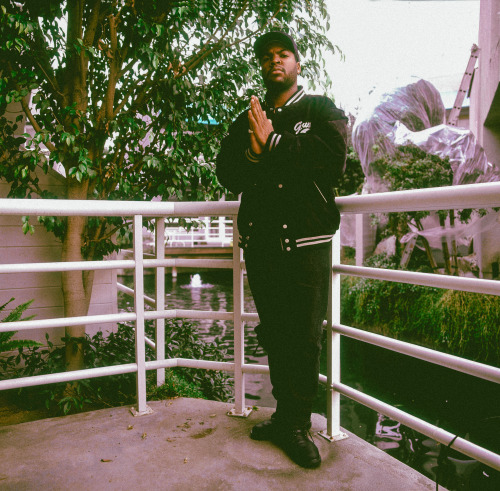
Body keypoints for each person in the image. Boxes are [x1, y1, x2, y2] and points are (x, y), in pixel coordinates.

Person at [216, 31, 347, 469]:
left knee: (304, 337)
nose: (276, 61)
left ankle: (297, 423)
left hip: (306, 242)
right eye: (268, 56)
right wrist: (253, 155)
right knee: (274, 333)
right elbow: (227, 172)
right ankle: (283, 417)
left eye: (284, 55)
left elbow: (332, 160)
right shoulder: (247, 118)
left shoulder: (320, 109)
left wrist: (272, 143)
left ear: (297, 63)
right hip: (262, 243)